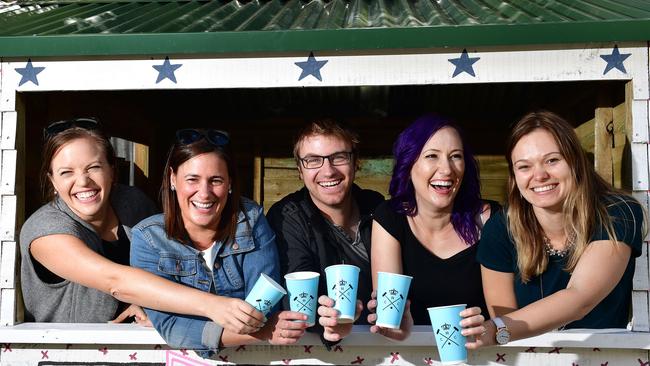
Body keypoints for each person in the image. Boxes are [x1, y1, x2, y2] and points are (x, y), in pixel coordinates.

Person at [20, 119, 268, 336]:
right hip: (68, 354)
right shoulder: (45, 229)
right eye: (66, 172)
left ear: (112, 170)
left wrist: (151, 305)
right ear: (52, 180)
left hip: (139, 347)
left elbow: (169, 260)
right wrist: (214, 305)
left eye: (93, 168)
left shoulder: (131, 203)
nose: (83, 181)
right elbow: (115, 281)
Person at [473, 110, 646, 348]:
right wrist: (492, 331)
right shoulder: (501, 228)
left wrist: (494, 330)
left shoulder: (617, 213)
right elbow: (506, 327)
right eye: (524, 167)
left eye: (552, 160)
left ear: (575, 161)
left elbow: (580, 299)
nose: (540, 175)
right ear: (514, 176)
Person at [130, 128, 308, 355]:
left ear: (230, 183)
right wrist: (262, 333)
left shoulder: (251, 220)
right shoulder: (147, 238)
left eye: (215, 180)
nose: (204, 193)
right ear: (173, 179)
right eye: (192, 179)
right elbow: (172, 328)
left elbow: (261, 309)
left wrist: (256, 327)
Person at [369, 114, 493, 341]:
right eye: (431, 156)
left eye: (455, 156)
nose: (446, 169)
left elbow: (505, 320)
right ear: (408, 164)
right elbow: (389, 313)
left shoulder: (490, 219)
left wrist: (490, 328)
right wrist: (396, 326)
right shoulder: (390, 217)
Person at [266, 119, 384, 343]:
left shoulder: (378, 207)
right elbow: (298, 293)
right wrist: (328, 321)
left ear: (355, 161)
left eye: (338, 157)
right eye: (313, 160)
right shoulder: (286, 217)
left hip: (383, 344)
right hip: (316, 352)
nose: (328, 171)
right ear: (300, 169)